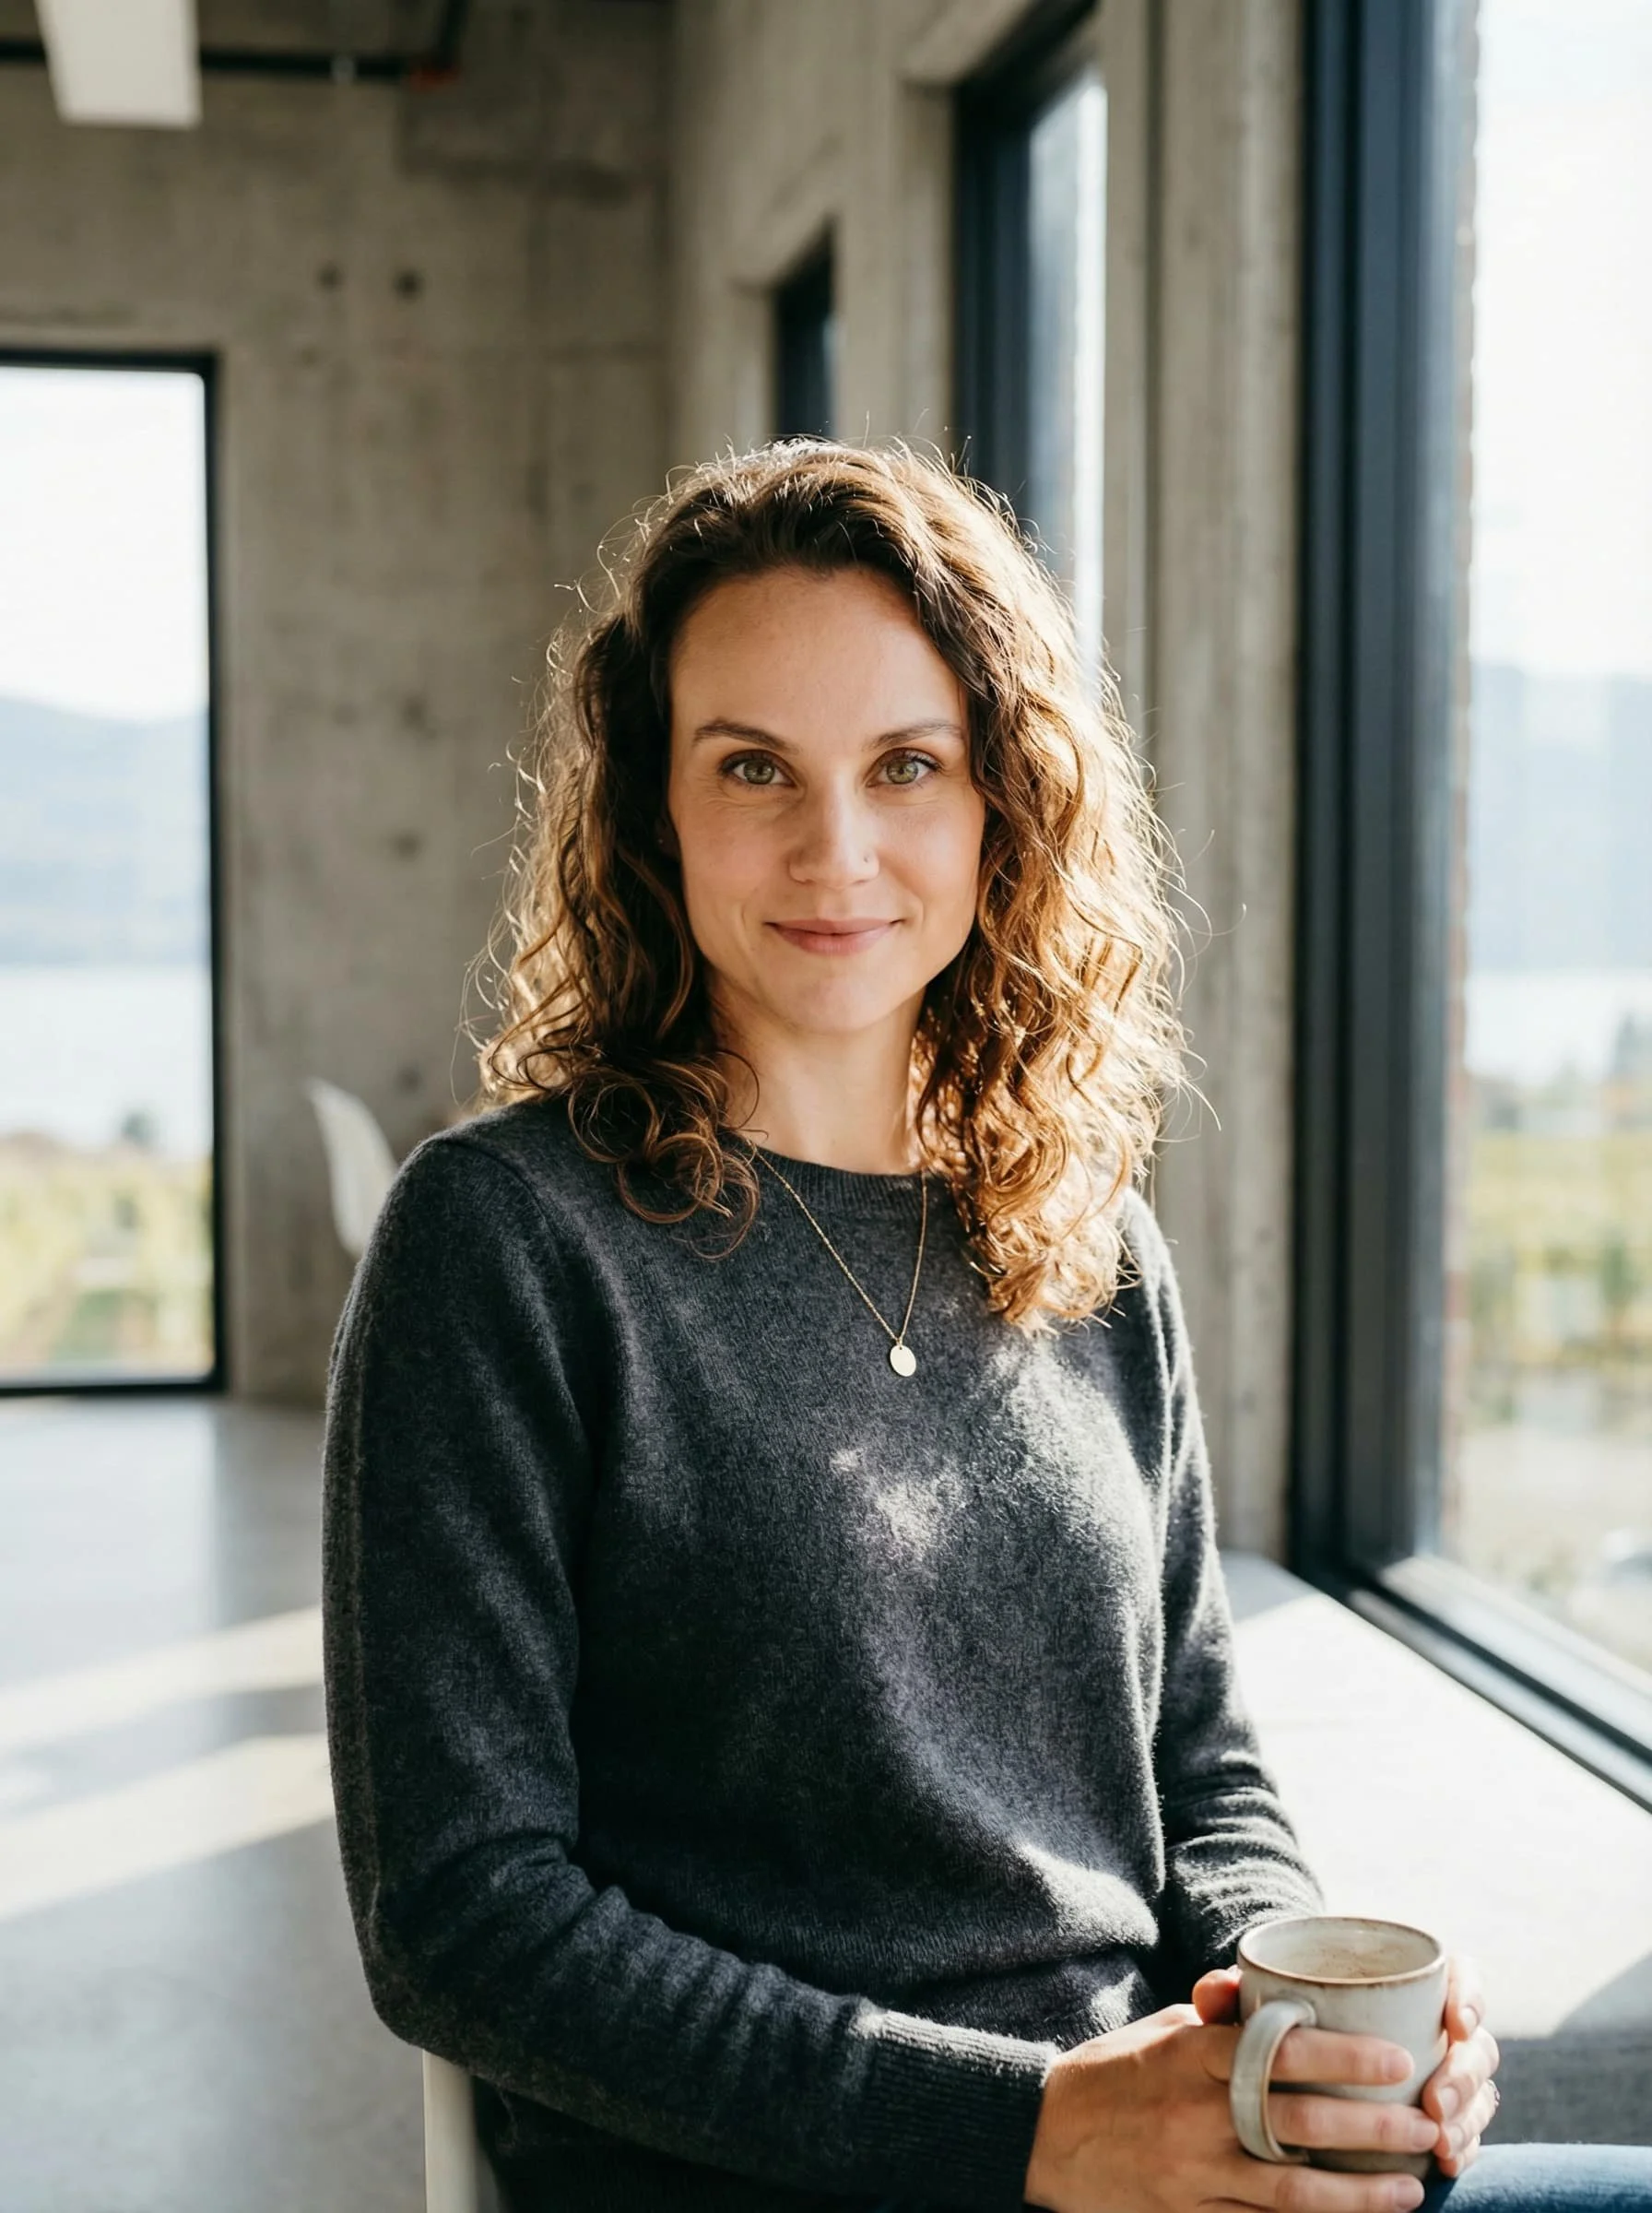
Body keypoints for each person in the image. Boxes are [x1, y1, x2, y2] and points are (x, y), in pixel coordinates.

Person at [320, 442, 1650, 2213]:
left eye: (908, 766)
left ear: (1000, 798)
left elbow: (1202, 1764)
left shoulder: (1086, 1234)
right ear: (653, 808)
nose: (837, 849)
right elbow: (465, 1921)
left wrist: (1294, 2010)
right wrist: (1028, 2132)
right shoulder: (504, 1244)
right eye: (751, 769)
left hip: (1164, 2161)